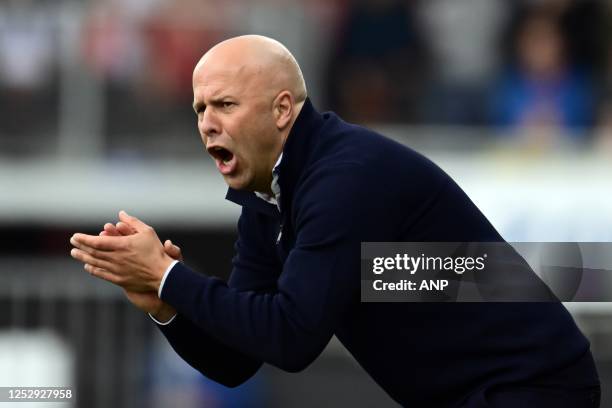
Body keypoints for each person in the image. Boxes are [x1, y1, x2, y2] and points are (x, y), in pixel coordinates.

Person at [70, 35, 601, 407]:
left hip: (530, 388)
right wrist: (166, 305)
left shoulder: (344, 177)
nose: (207, 123)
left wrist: (171, 277)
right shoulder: (268, 194)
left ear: (282, 110)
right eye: (199, 109)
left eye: (225, 104)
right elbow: (238, 362)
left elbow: (292, 338)